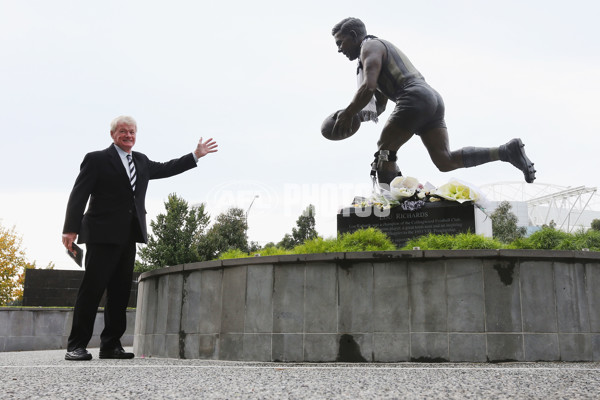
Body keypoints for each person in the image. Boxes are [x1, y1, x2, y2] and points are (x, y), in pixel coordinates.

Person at [61, 115, 218, 361]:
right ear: (113, 134)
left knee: (120, 293)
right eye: (123, 132)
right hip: (101, 235)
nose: (128, 136)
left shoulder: (141, 161)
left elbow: (167, 168)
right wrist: (70, 228)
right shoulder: (97, 159)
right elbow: (79, 193)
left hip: (129, 235)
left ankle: (110, 345)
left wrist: (195, 155)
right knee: (92, 290)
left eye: (132, 132)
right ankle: (76, 345)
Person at [330, 17, 536, 186]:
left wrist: (348, 113)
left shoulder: (369, 47)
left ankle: (392, 207)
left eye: (340, 42)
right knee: (445, 161)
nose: (339, 49)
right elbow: (380, 105)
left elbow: (368, 87)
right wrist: (354, 117)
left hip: (413, 97)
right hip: (431, 99)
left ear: (354, 36)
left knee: (385, 150)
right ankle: (505, 151)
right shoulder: (376, 48)